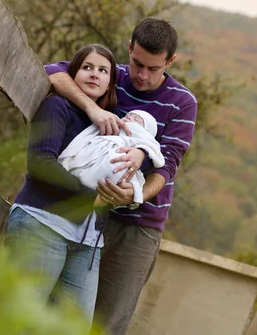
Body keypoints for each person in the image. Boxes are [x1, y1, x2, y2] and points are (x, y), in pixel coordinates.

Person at [45, 17, 198, 334]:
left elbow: (167, 166)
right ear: (129, 49)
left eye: (153, 68)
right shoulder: (109, 75)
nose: (142, 75)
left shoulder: (182, 103)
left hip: (138, 228)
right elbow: (52, 72)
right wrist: (94, 109)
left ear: (170, 61)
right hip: (85, 211)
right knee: (57, 311)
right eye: (137, 63)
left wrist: (134, 195)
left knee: (106, 322)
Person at [5, 43, 117, 327]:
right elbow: (41, 162)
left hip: (87, 240)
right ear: (74, 72)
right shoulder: (58, 105)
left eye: (103, 70)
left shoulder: (108, 127)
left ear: (110, 82)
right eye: (87, 67)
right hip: (42, 223)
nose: (94, 74)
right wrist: (88, 196)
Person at [58, 110, 165, 206]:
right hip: (100, 149)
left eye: (136, 119)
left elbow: (154, 151)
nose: (129, 118)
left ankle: (94, 188)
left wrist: (141, 151)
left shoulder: (142, 138)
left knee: (116, 167)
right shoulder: (111, 125)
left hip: (119, 157)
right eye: (129, 115)